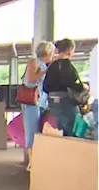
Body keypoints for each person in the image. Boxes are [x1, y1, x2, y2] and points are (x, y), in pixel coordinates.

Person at [21, 41, 55, 171]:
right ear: (47, 52)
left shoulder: (42, 64)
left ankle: (36, 160)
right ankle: (32, 161)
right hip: (32, 102)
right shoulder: (34, 62)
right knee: (32, 131)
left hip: (41, 102)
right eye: (51, 53)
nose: (53, 55)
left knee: (38, 130)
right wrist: (46, 71)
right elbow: (30, 80)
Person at [44, 39, 87, 136]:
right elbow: (74, 84)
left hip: (52, 102)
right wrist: (83, 87)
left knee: (61, 129)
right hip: (66, 101)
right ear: (69, 50)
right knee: (73, 130)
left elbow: (45, 87)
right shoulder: (67, 65)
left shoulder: (51, 66)